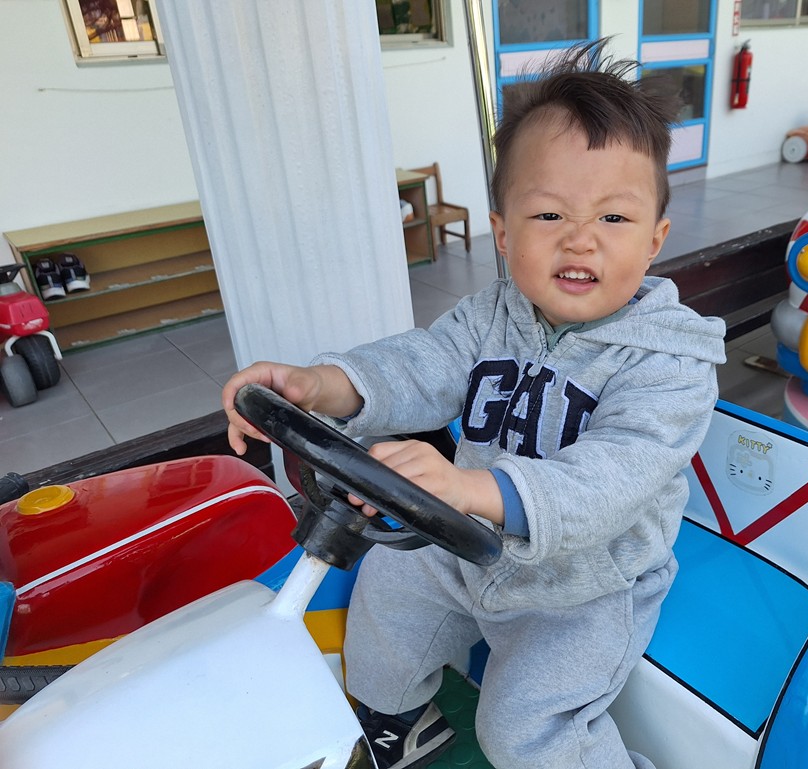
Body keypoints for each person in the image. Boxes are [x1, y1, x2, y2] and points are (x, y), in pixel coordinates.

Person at [222, 39, 726, 769]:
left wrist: (470, 487)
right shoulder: (493, 315)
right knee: (387, 583)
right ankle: (397, 719)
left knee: (524, 730)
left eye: (613, 220)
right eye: (548, 214)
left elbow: (611, 478)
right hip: (466, 544)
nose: (580, 239)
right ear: (503, 233)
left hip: (586, 585)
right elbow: (419, 364)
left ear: (654, 240)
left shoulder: (670, 362)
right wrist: (322, 385)